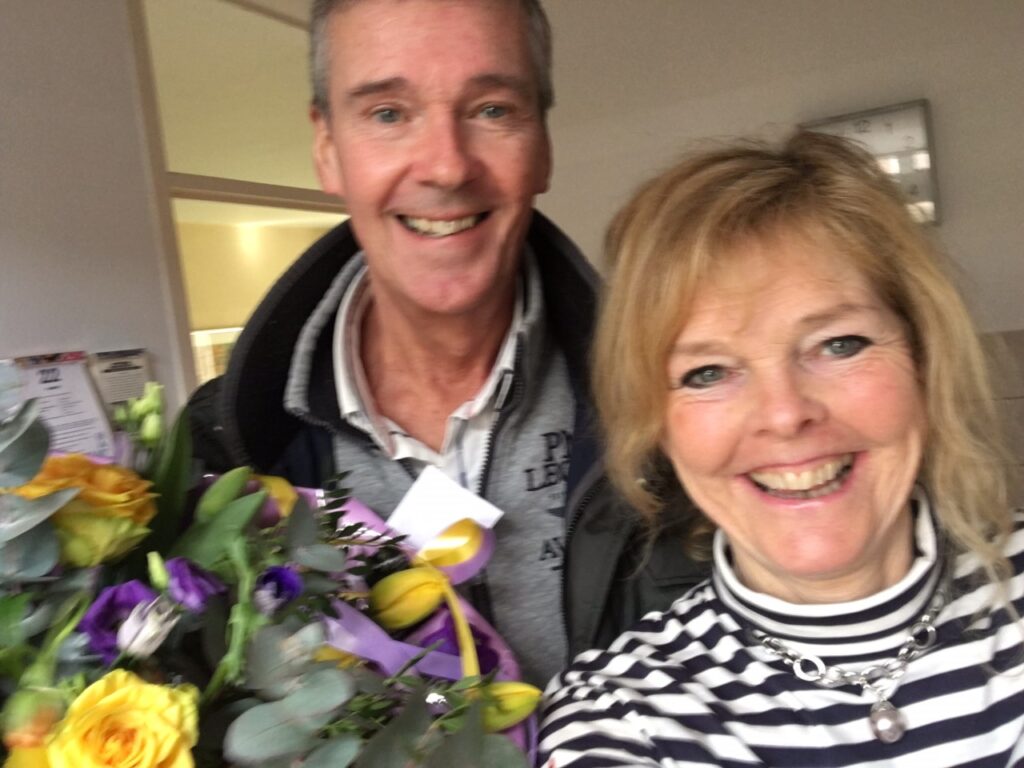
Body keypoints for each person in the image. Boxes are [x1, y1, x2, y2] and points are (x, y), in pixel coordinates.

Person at [193, 0, 704, 686]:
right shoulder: (219, 449)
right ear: (327, 149)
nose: (446, 167)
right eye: (388, 114)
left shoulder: (678, 407)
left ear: (543, 144)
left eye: (492, 110)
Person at [538, 131, 1024, 766]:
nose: (785, 414)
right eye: (707, 373)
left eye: (838, 344)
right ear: (659, 425)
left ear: (924, 360)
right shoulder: (619, 718)